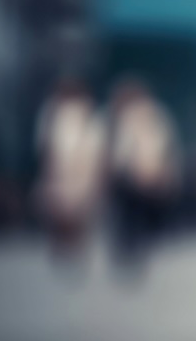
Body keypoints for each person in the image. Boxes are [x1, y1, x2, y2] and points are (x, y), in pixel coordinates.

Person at [107, 77, 180, 272]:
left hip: (142, 173)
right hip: (136, 174)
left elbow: (165, 146)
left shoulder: (153, 115)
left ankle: (133, 251)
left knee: (134, 216)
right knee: (131, 216)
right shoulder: (124, 116)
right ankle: (131, 251)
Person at [34, 77, 107, 263]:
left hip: (78, 174)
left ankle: (72, 247)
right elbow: (47, 149)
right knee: (65, 211)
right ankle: (67, 247)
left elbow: (96, 148)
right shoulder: (53, 115)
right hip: (66, 174)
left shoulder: (84, 117)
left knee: (75, 212)